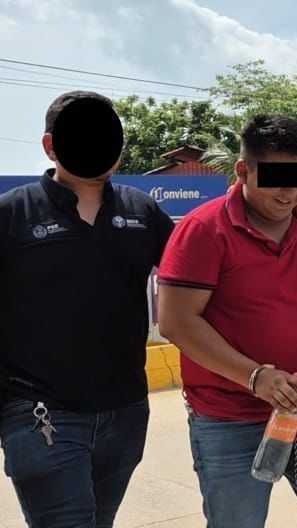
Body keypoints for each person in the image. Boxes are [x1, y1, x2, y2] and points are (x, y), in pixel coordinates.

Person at [156, 114, 297, 528]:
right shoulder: (204, 229)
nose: (290, 193)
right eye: (276, 179)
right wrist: (256, 378)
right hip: (227, 415)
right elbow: (176, 321)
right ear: (243, 170)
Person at [0, 91, 175, 527]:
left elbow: (199, 274)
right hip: (41, 413)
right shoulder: (12, 213)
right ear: (50, 146)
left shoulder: (143, 211)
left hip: (126, 410)